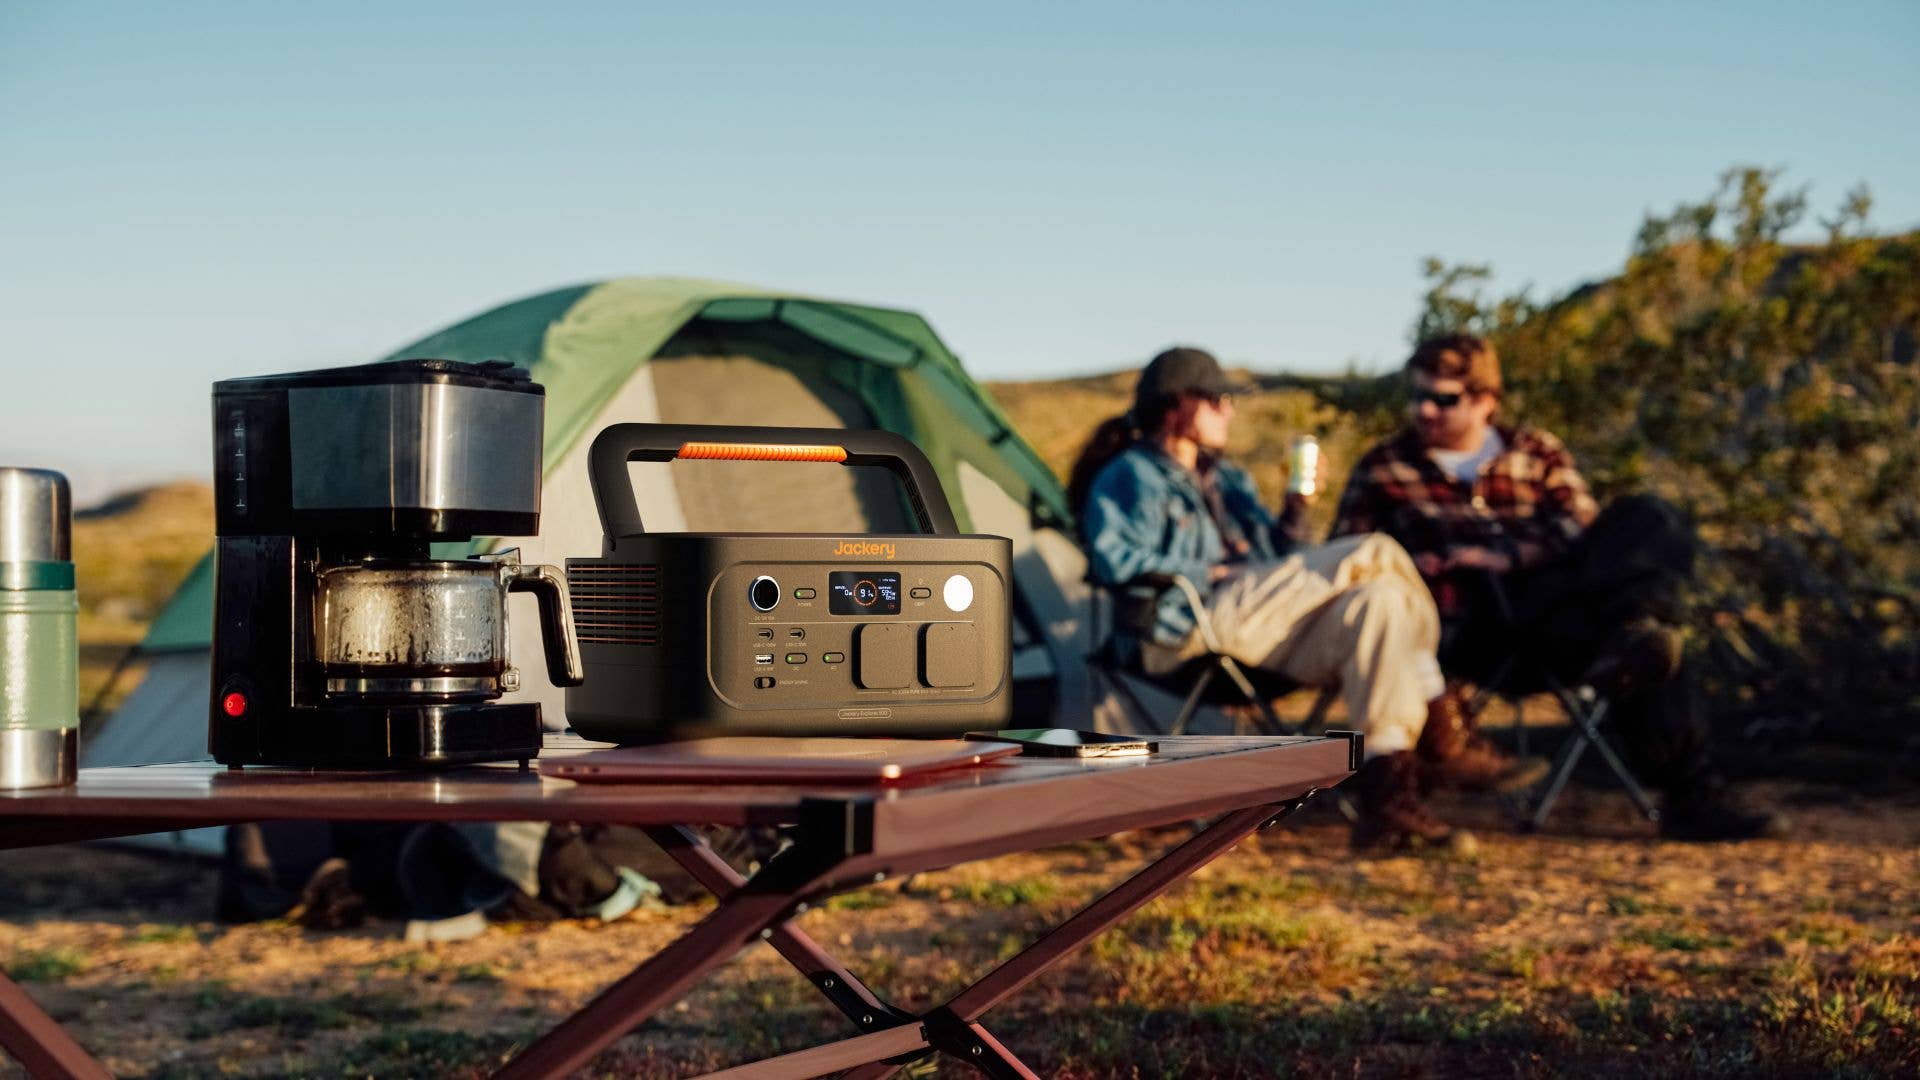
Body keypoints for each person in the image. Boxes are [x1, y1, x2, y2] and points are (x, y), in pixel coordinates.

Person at [1071, 346, 1546, 851]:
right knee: (1377, 551)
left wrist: (1296, 511)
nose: (1228, 409)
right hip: (1190, 625)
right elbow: (1112, 562)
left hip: (1258, 624)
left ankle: (1387, 804)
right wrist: (1211, 569)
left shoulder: (1228, 479)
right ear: (1177, 405)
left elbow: (1283, 558)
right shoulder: (1131, 475)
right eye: (1218, 399)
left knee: (1379, 602)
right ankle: (1444, 730)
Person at [1331, 332, 1781, 840]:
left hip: (1556, 607)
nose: (1425, 411)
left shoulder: (1535, 450)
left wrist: (1507, 556)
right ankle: (1637, 645)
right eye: (1417, 396)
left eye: (1443, 399)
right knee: (1640, 625)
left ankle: (1685, 778)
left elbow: (1579, 528)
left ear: (1485, 401)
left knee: (1650, 522)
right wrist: (1436, 562)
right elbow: (1349, 556)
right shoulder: (1386, 465)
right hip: (1465, 627)